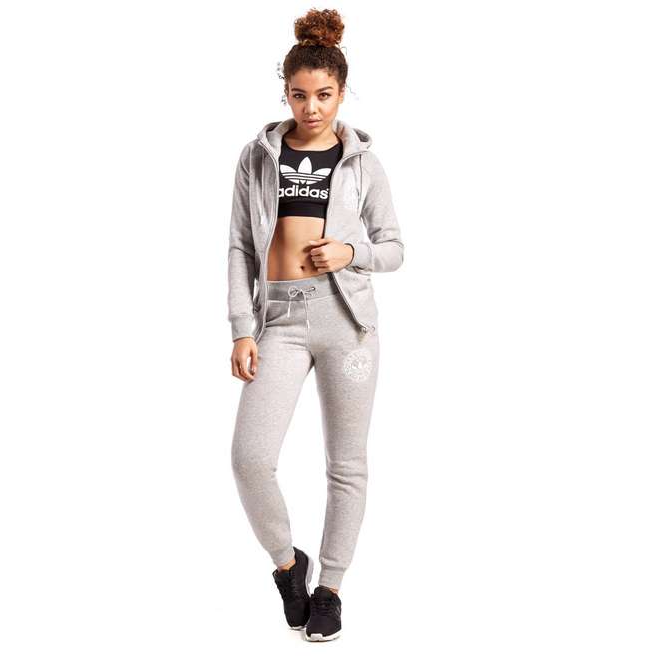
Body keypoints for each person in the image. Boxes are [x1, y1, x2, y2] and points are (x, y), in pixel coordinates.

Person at [227, 8, 404, 641]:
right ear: (286, 93)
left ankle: (329, 587)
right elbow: (240, 247)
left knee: (346, 464)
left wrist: (351, 252)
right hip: (280, 319)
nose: (312, 107)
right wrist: (241, 327)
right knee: (250, 458)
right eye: (300, 95)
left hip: (347, 322)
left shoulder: (363, 164)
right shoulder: (258, 158)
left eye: (324, 95)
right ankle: (288, 565)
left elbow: (395, 248)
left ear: (341, 93)